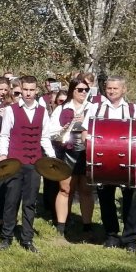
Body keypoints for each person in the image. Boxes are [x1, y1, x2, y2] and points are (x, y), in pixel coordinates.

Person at [0, 75, 59, 253]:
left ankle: (27, 238)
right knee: (11, 200)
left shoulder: (42, 111)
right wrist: (3, 154)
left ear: (36, 90)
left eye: (32, 90)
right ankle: (7, 237)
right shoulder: (11, 110)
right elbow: (5, 135)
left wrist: (52, 157)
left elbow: (45, 137)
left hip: (34, 162)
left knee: (30, 202)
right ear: (20, 90)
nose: (28, 93)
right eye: (25, 90)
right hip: (15, 161)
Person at [87, 76, 136, 253]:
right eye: (109, 88)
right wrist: (89, 149)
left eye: (115, 89)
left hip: (127, 161)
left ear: (124, 90)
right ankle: (111, 235)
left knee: (129, 200)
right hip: (103, 161)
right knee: (106, 199)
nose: (111, 91)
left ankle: (131, 238)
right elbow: (85, 131)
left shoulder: (133, 109)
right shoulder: (96, 108)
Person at [53, 77, 96, 241]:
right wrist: (69, 125)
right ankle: (61, 227)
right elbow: (52, 132)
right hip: (68, 151)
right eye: (80, 89)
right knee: (65, 190)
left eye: (86, 90)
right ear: (72, 91)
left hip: (87, 151)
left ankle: (87, 225)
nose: (83, 92)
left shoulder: (94, 108)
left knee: (86, 190)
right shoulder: (62, 109)